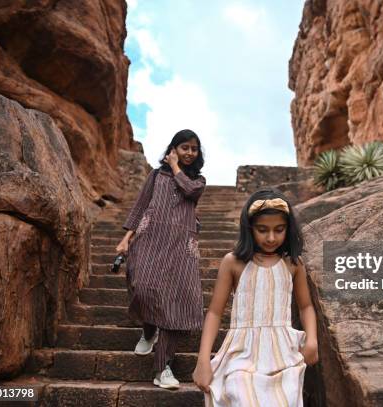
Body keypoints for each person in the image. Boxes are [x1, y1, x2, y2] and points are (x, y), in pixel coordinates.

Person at [192, 188, 319, 406]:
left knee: (284, 399)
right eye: (262, 230)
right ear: (249, 229)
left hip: (282, 353)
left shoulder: (293, 264)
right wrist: (203, 359)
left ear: (288, 229)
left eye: (279, 230)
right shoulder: (233, 262)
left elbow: (306, 306)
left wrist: (313, 340)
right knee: (241, 393)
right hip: (241, 353)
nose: (271, 237)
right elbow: (214, 312)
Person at [116, 129, 206, 389]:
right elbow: (140, 206)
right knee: (142, 287)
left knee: (176, 305)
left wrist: (176, 166)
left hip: (181, 248)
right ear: (173, 148)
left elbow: (189, 191)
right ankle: (148, 330)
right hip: (149, 241)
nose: (189, 152)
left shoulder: (198, 181)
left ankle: (162, 368)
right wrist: (126, 239)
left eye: (193, 149)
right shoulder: (155, 176)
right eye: (183, 147)